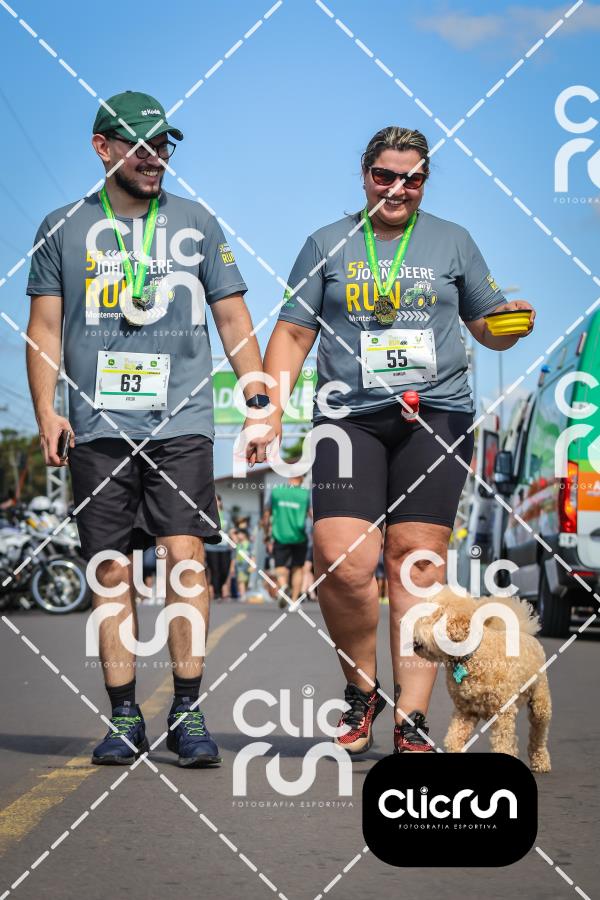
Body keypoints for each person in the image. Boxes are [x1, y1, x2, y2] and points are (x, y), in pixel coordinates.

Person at [263, 126, 535, 753]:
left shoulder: (453, 241)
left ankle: (411, 719)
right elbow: (294, 334)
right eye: (384, 175)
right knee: (342, 559)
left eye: (412, 178)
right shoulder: (326, 243)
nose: (397, 188)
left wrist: (507, 327)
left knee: (415, 560)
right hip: (347, 416)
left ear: (425, 181)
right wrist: (267, 411)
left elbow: (485, 323)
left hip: (435, 414)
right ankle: (361, 691)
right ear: (365, 175)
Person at [26, 91, 272, 767]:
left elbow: (232, 318)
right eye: (139, 146)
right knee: (110, 569)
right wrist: (47, 409)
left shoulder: (196, 222)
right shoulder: (62, 227)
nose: (154, 157)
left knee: (184, 559)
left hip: (180, 420)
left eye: (163, 145)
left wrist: (258, 399)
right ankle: (124, 716)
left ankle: (188, 712)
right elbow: (44, 327)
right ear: (102, 148)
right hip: (97, 425)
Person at [262, 475, 311, 609]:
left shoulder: (277, 491)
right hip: (299, 536)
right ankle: (294, 602)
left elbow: (266, 514)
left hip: (280, 535)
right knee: (297, 568)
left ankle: (283, 585)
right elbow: (312, 515)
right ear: (302, 477)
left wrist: (266, 533)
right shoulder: (305, 494)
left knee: (280, 565)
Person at [205, 495, 233, 601]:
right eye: (214, 500)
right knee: (215, 570)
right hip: (211, 547)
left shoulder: (227, 515)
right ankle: (217, 593)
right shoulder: (207, 514)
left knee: (225, 569)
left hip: (225, 547)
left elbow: (231, 529)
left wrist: (233, 540)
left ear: (221, 502)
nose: (216, 502)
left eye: (218, 500)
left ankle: (220, 587)